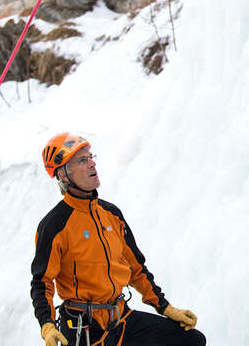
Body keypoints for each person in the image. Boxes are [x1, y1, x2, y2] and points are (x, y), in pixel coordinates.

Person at [31, 133, 206, 346]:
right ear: (63, 174)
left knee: (190, 340)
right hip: (84, 330)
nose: (92, 163)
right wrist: (47, 325)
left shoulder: (111, 214)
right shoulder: (55, 225)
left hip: (121, 319)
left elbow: (136, 268)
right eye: (82, 160)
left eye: (90, 156)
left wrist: (164, 307)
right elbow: (42, 283)